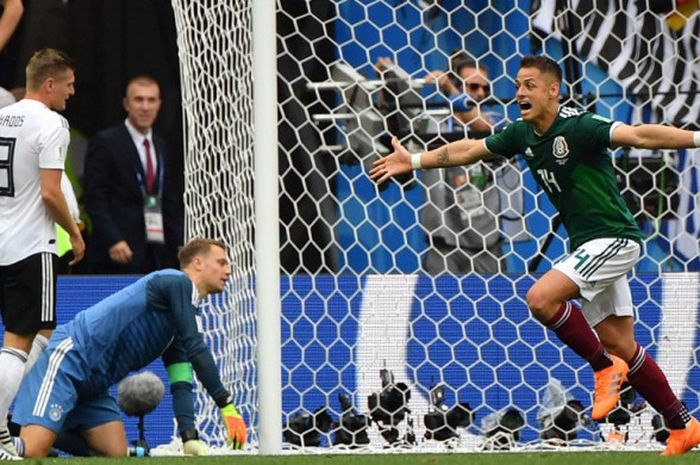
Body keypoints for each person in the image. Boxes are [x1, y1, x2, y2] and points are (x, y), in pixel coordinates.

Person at [370, 55, 700, 456]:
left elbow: (641, 135)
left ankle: (602, 367)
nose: (519, 93)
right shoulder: (522, 134)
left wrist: (697, 138)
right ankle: (682, 423)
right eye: (517, 85)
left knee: (542, 299)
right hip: (590, 247)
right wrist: (415, 161)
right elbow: (471, 148)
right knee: (622, 344)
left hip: (614, 239)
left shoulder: (579, 126)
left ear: (552, 90)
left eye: (528, 85)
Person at [4, 238, 246, 459]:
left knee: (116, 453)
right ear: (197, 264)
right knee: (33, 451)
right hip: (72, 358)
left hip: (94, 385)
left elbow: (181, 382)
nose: (229, 270)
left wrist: (189, 436)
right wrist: (226, 404)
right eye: (222, 262)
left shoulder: (180, 321)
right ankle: (24, 436)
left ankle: (21, 428)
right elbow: (197, 348)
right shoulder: (175, 281)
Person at [0, 48, 85, 455]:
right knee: (22, 339)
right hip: (31, 245)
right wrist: (76, 232)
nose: (71, 92)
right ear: (49, 84)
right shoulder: (52, 123)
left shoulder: (2, 117)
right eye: (67, 85)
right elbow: (51, 192)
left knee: (36, 334)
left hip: (1, 239)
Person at [83, 75, 183, 275]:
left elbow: (169, 200)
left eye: (151, 100)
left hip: (156, 250)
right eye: (139, 100)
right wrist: (113, 240)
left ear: (159, 104)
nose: (145, 107)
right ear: (126, 104)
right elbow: (94, 197)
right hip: (118, 251)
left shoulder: (161, 146)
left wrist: (180, 243)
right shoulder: (106, 142)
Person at [421, 58, 508, 274]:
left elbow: (484, 128)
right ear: (459, 86)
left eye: (485, 88)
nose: (480, 94)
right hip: (443, 238)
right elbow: (398, 133)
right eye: (473, 86)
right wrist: (389, 87)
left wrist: (449, 89)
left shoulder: (495, 120)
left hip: (485, 241)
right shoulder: (432, 124)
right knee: (440, 305)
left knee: (493, 305)